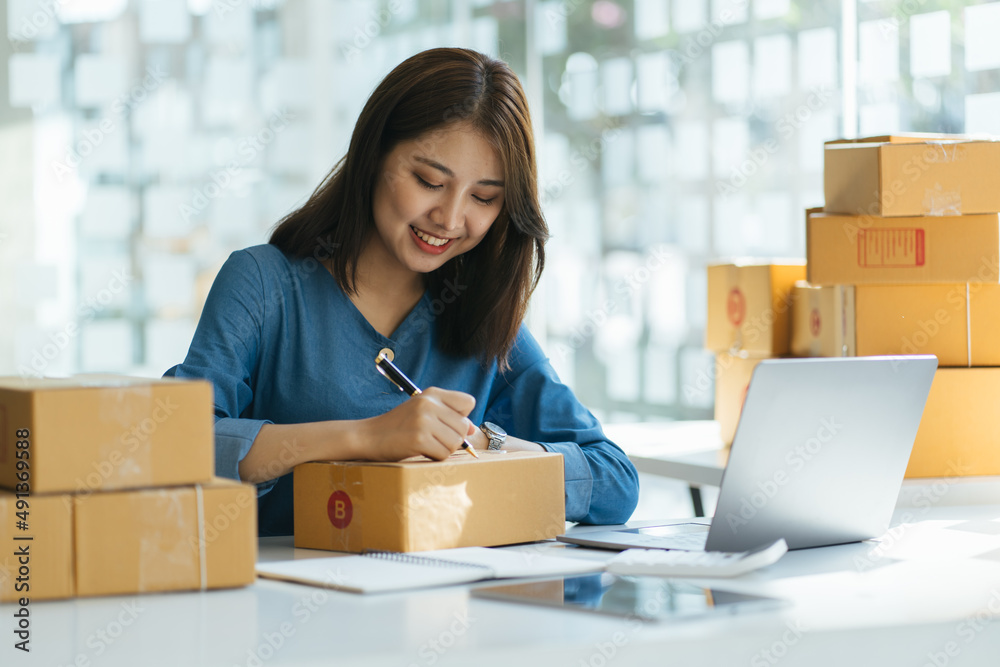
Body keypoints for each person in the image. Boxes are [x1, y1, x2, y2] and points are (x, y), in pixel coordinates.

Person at [165, 47, 639, 536]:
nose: (450, 219)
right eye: (429, 181)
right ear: (373, 158)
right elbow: (179, 445)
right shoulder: (264, 284)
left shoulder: (479, 312)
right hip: (274, 600)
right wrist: (365, 437)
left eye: (483, 197)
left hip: (438, 601)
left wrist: (488, 444)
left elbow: (615, 480)